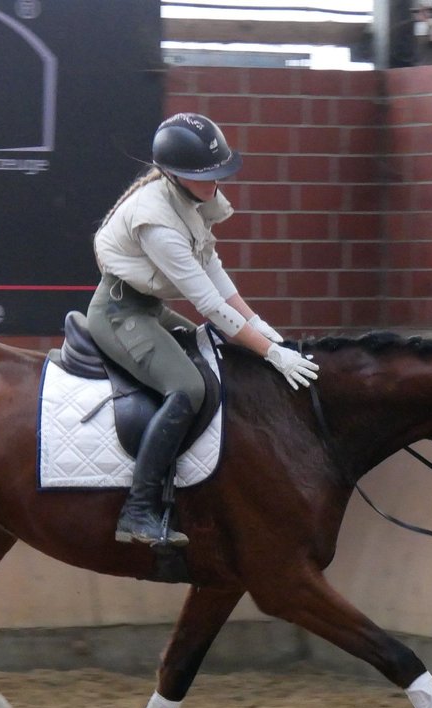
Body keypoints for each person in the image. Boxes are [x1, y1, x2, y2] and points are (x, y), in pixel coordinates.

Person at [89, 112, 319, 548]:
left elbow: (213, 268)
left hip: (149, 309)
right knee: (187, 388)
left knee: (218, 354)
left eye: (219, 173)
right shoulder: (156, 220)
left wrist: (259, 327)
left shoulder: (191, 201)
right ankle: (138, 511)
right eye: (207, 175)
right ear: (174, 175)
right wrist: (271, 353)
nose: (216, 183)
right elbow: (208, 303)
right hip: (121, 313)